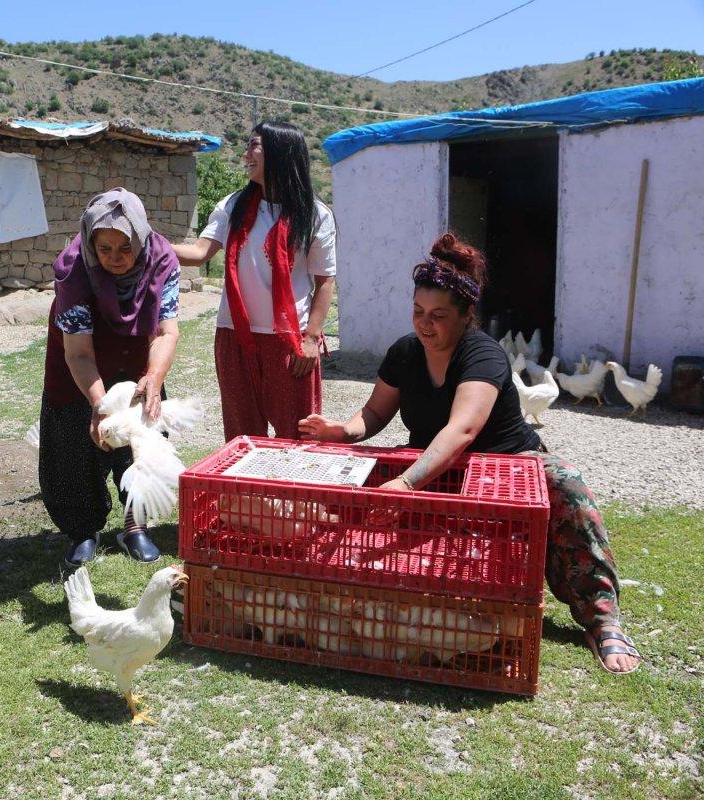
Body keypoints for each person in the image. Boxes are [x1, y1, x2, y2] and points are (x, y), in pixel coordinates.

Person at [298, 233, 642, 674]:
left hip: (506, 463)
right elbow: (373, 413)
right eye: (419, 312)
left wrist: (406, 483)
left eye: (439, 316)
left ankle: (601, 617)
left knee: (566, 484)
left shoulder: (483, 354)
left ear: (465, 317)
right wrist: (340, 431)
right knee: (353, 486)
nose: (425, 324)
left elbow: (462, 430)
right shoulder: (405, 352)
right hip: (431, 464)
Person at [37, 188, 182, 568]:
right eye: (105, 249)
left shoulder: (162, 260)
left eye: (125, 248)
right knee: (73, 448)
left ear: (140, 238)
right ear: (90, 243)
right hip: (77, 365)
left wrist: (153, 374)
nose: (116, 259)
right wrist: (100, 406)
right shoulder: (73, 269)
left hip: (137, 360)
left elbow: (166, 332)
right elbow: (79, 353)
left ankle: (135, 526)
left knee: (141, 441)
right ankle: (82, 529)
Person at [173, 121, 335, 441]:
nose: (246, 154)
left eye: (254, 146)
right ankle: (246, 494)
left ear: (280, 152)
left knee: (298, 436)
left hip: (290, 342)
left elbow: (325, 281)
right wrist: (150, 244)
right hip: (235, 336)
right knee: (242, 436)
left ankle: (293, 493)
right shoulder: (233, 205)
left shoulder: (315, 214)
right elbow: (199, 252)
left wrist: (312, 339)